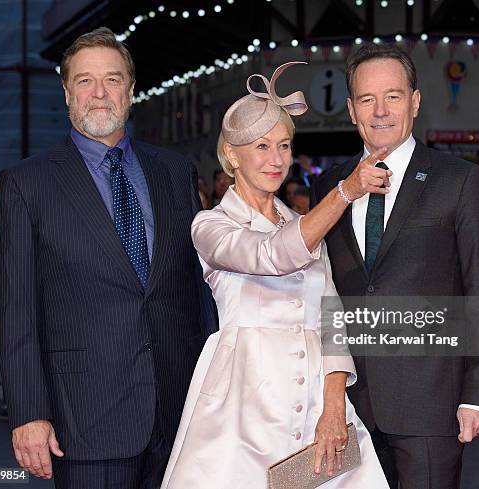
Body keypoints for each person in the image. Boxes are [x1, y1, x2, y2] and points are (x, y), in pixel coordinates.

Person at [0, 27, 215, 489]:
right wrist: (29, 413)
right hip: (84, 418)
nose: (99, 93)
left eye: (112, 80)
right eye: (85, 81)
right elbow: (15, 310)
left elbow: (197, 289)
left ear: (131, 91)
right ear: (67, 92)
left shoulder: (174, 172)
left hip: (180, 412)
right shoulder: (26, 184)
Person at [162, 62, 390, 489]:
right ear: (232, 154)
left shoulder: (303, 223)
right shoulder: (210, 226)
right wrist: (344, 192)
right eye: (262, 147)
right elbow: (270, 255)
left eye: (284, 146)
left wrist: (334, 406)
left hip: (315, 404)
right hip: (240, 408)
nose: (276, 159)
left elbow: (331, 319)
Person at [311, 44, 479, 489]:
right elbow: (327, 293)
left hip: (430, 405)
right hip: (353, 410)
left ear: (415, 102)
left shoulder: (459, 180)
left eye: (393, 96)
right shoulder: (330, 185)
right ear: (351, 110)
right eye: (367, 99)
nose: (380, 111)